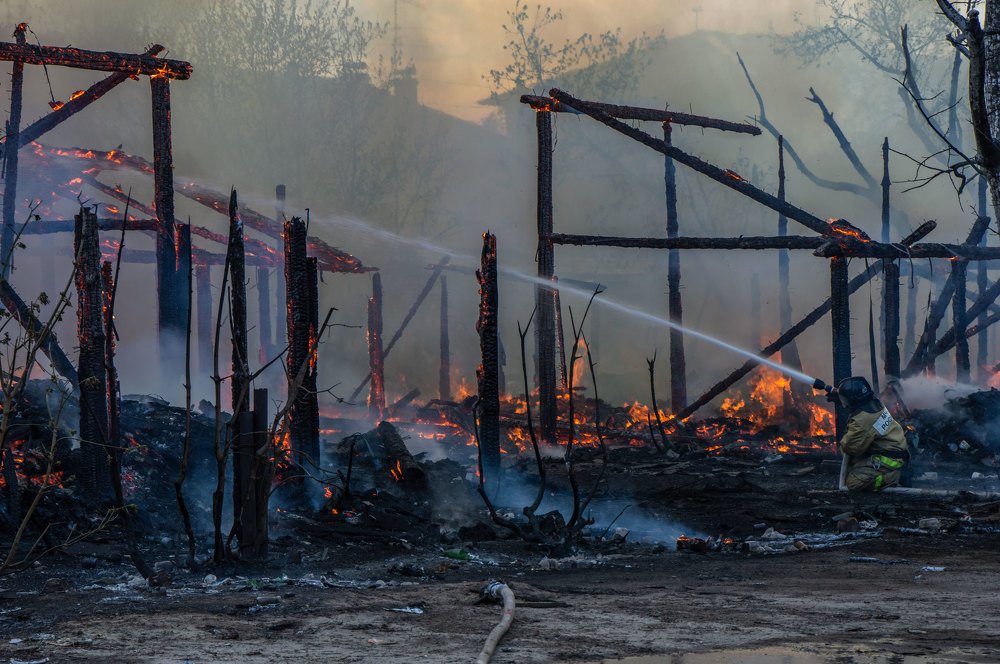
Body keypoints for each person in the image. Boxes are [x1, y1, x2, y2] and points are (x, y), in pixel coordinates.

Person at [835, 376, 908, 491]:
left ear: (853, 401)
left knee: (853, 483)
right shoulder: (874, 402)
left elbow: (850, 448)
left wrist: (844, 440)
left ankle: (895, 477)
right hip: (895, 448)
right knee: (854, 464)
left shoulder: (863, 420)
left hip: (889, 458)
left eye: (844, 400)